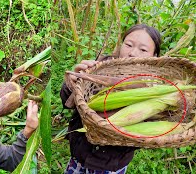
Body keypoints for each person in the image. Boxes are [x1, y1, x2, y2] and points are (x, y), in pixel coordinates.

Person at [61, 24, 162, 173]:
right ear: (121, 45)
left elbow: (143, 134)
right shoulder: (100, 67)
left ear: (154, 57)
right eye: (128, 45)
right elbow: (67, 102)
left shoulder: (152, 90)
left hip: (111, 164)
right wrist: (73, 83)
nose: (132, 53)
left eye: (143, 50)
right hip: (79, 154)